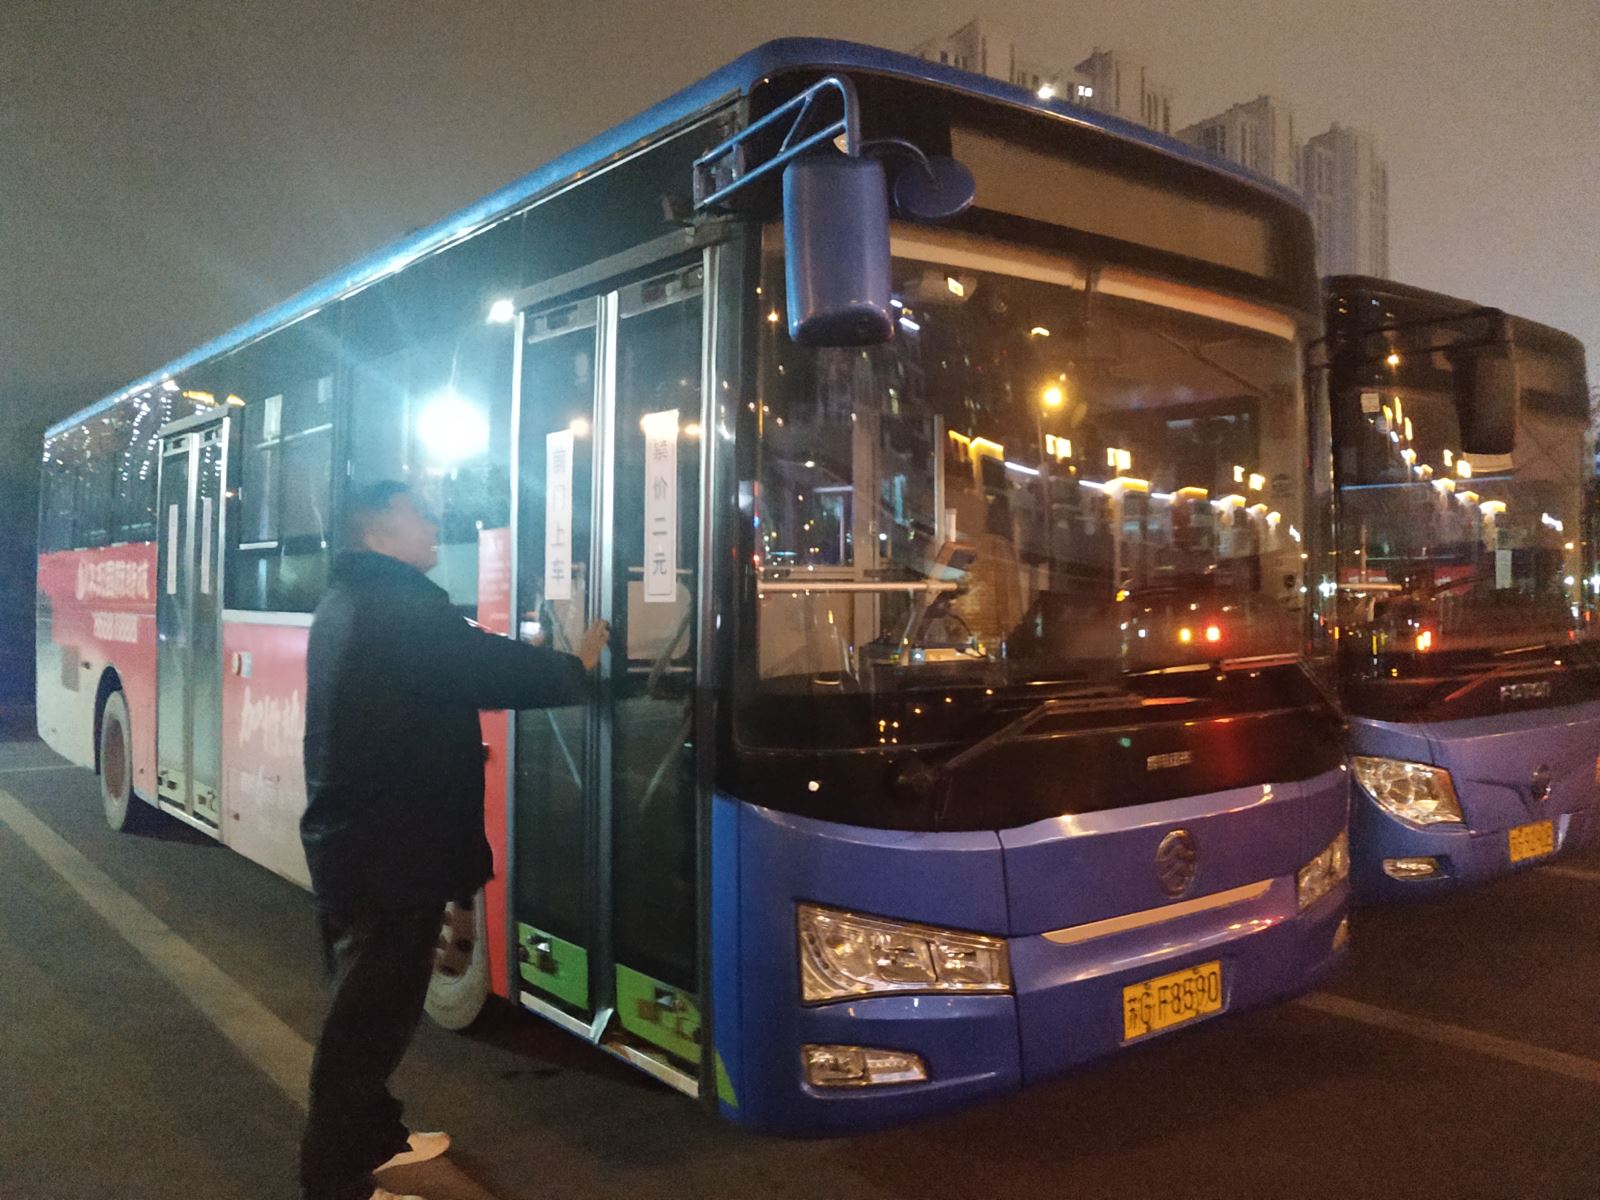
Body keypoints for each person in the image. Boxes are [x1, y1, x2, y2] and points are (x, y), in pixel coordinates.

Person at [299, 480, 607, 1200]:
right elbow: (484, 666)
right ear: (378, 529)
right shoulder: (395, 608)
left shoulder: (356, 598)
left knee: (373, 1014)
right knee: (366, 1028)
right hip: (387, 855)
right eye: (418, 514)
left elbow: (457, 659)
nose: (434, 524)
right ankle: (335, 1183)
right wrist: (575, 666)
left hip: (368, 847)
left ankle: (375, 1137)